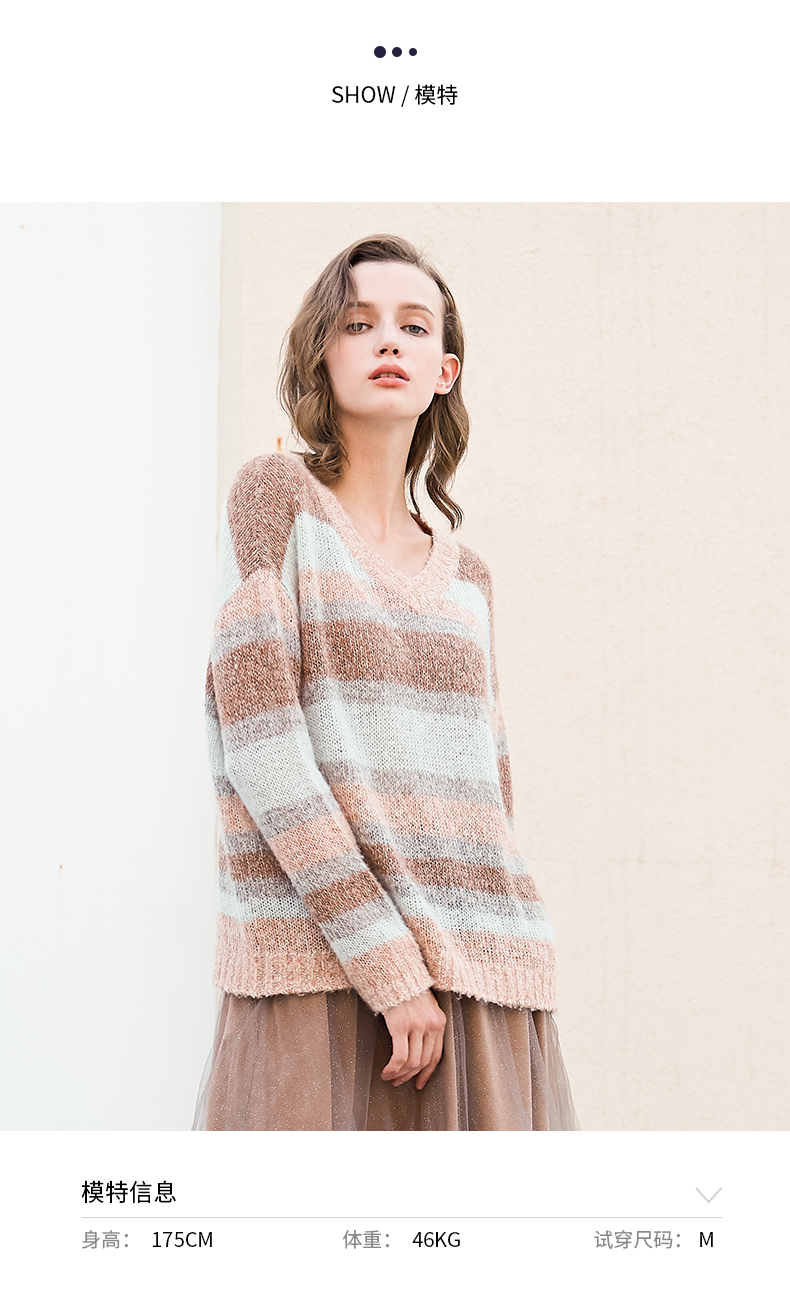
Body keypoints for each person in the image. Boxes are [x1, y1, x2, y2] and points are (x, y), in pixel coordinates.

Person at [193, 234, 579, 1130]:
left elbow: (492, 789)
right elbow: (261, 749)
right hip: (324, 973)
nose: (388, 342)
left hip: (480, 979)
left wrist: (449, 967)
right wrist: (389, 965)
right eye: (358, 323)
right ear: (322, 355)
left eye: (413, 325)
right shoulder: (275, 502)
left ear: (445, 371)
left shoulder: (469, 576)